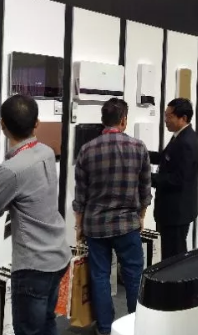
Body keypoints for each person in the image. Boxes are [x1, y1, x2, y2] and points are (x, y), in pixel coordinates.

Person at [0, 94, 70, 335]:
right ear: (37, 123)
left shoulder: (11, 169)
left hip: (34, 266)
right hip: (58, 255)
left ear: (2, 125)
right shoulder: (46, 152)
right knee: (48, 322)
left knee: (29, 330)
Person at [73, 98, 151, 335]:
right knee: (134, 276)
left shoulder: (87, 150)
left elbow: (80, 195)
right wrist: (141, 216)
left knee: (99, 277)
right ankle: (136, 326)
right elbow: (145, 190)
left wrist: (79, 227)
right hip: (127, 225)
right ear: (124, 120)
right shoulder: (139, 147)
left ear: (103, 120)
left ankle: (105, 329)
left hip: (96, 226)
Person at [152, 98, 198, 260]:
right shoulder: (179, 136)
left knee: (174, 257)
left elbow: (178, 179)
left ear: (183, 118)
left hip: (177, 212)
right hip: (172, 211)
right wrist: (140, 152)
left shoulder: (186, 142)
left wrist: (147, 178)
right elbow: (163, 157)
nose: (166, 120)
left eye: (169, 116)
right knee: (170, 253)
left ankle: (178, 279)